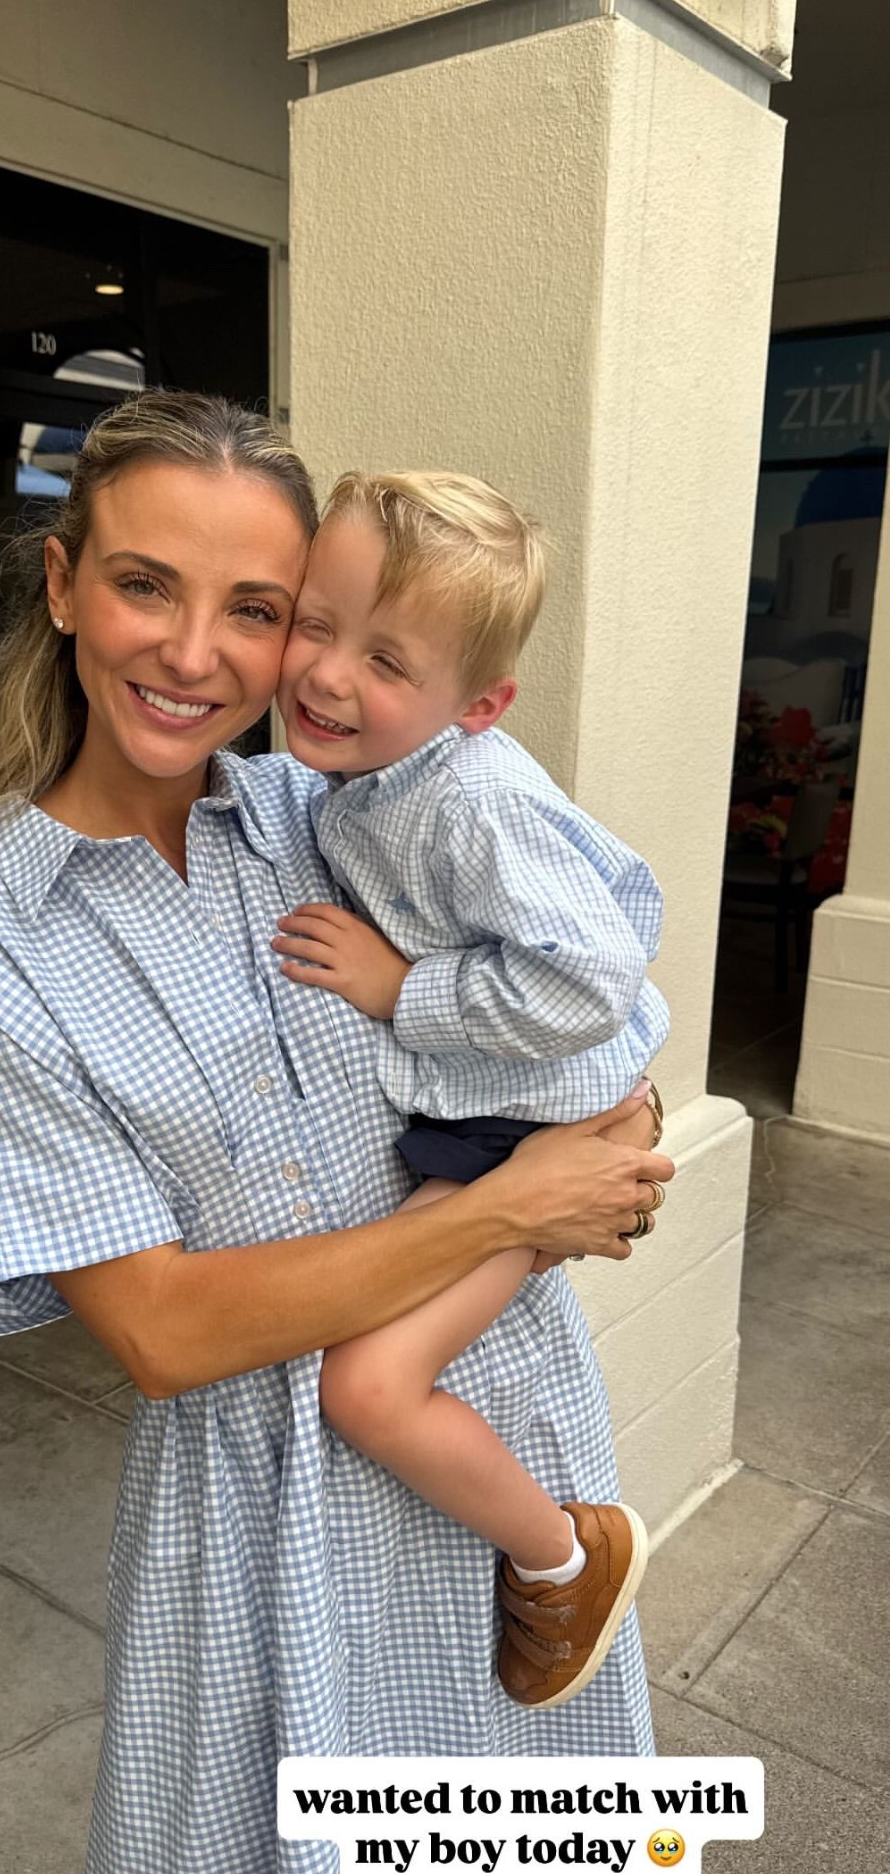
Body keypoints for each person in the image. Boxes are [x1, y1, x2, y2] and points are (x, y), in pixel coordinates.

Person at [0, 391, 692, 1874]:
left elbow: (563, 992)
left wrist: (611, 1111)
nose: (199, 651)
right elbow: (167, 1329)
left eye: (255, 606)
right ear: (61, 584)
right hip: (260, 1504)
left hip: (505, 1431)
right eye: (144, 584)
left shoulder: (329, 820)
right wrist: (514, 1205)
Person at [271, 470, 669, 1712]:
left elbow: (594, 974)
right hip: (507, 1123)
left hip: (538, 1132)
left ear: (478, 705)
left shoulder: (470, 802)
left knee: (367, 1386)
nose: (329, 674)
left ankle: (565, 1555)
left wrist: (404, 989)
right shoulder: (369, 779)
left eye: (387, 659)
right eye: (313, 622)